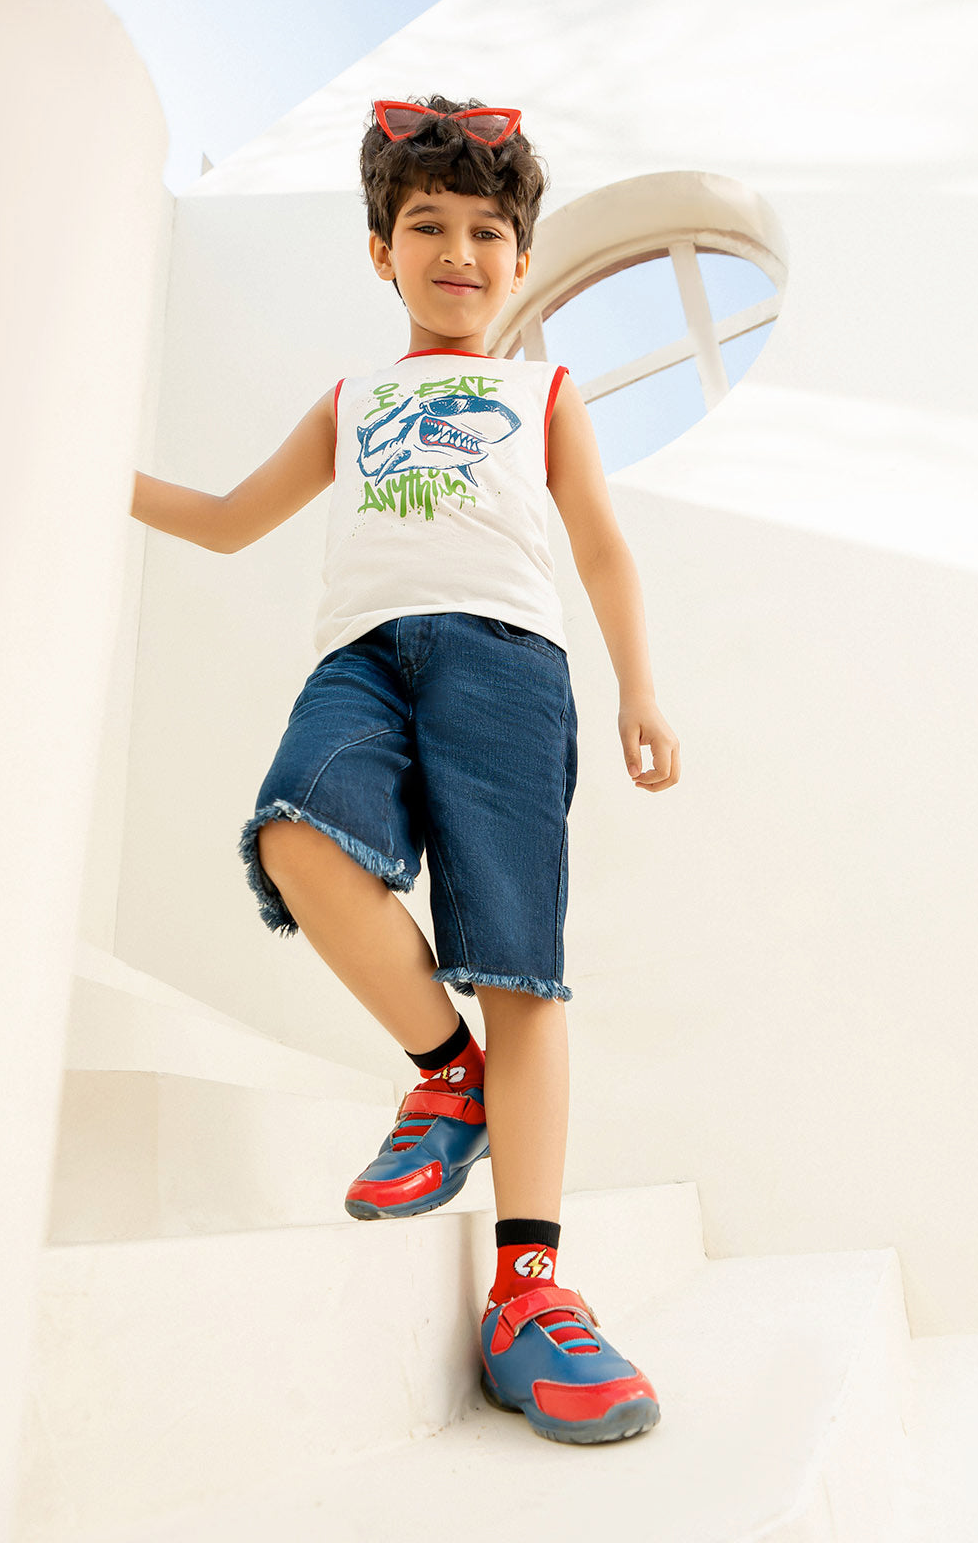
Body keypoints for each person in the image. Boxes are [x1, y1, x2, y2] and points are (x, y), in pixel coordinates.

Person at [130, 94, 681, 1446]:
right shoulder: (353, 400)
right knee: (295, 837)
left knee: (519, 967)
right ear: (381, 251)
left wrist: (639, 686)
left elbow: (602, 546)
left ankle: (533, 1292)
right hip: (367, 658)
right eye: (427, 226)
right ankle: (449, 1072)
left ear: (521, 258)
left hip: (510, 663)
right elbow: (227, 520)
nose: (458, 252)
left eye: (487, 232)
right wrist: (94, 467)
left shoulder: (543, 393)